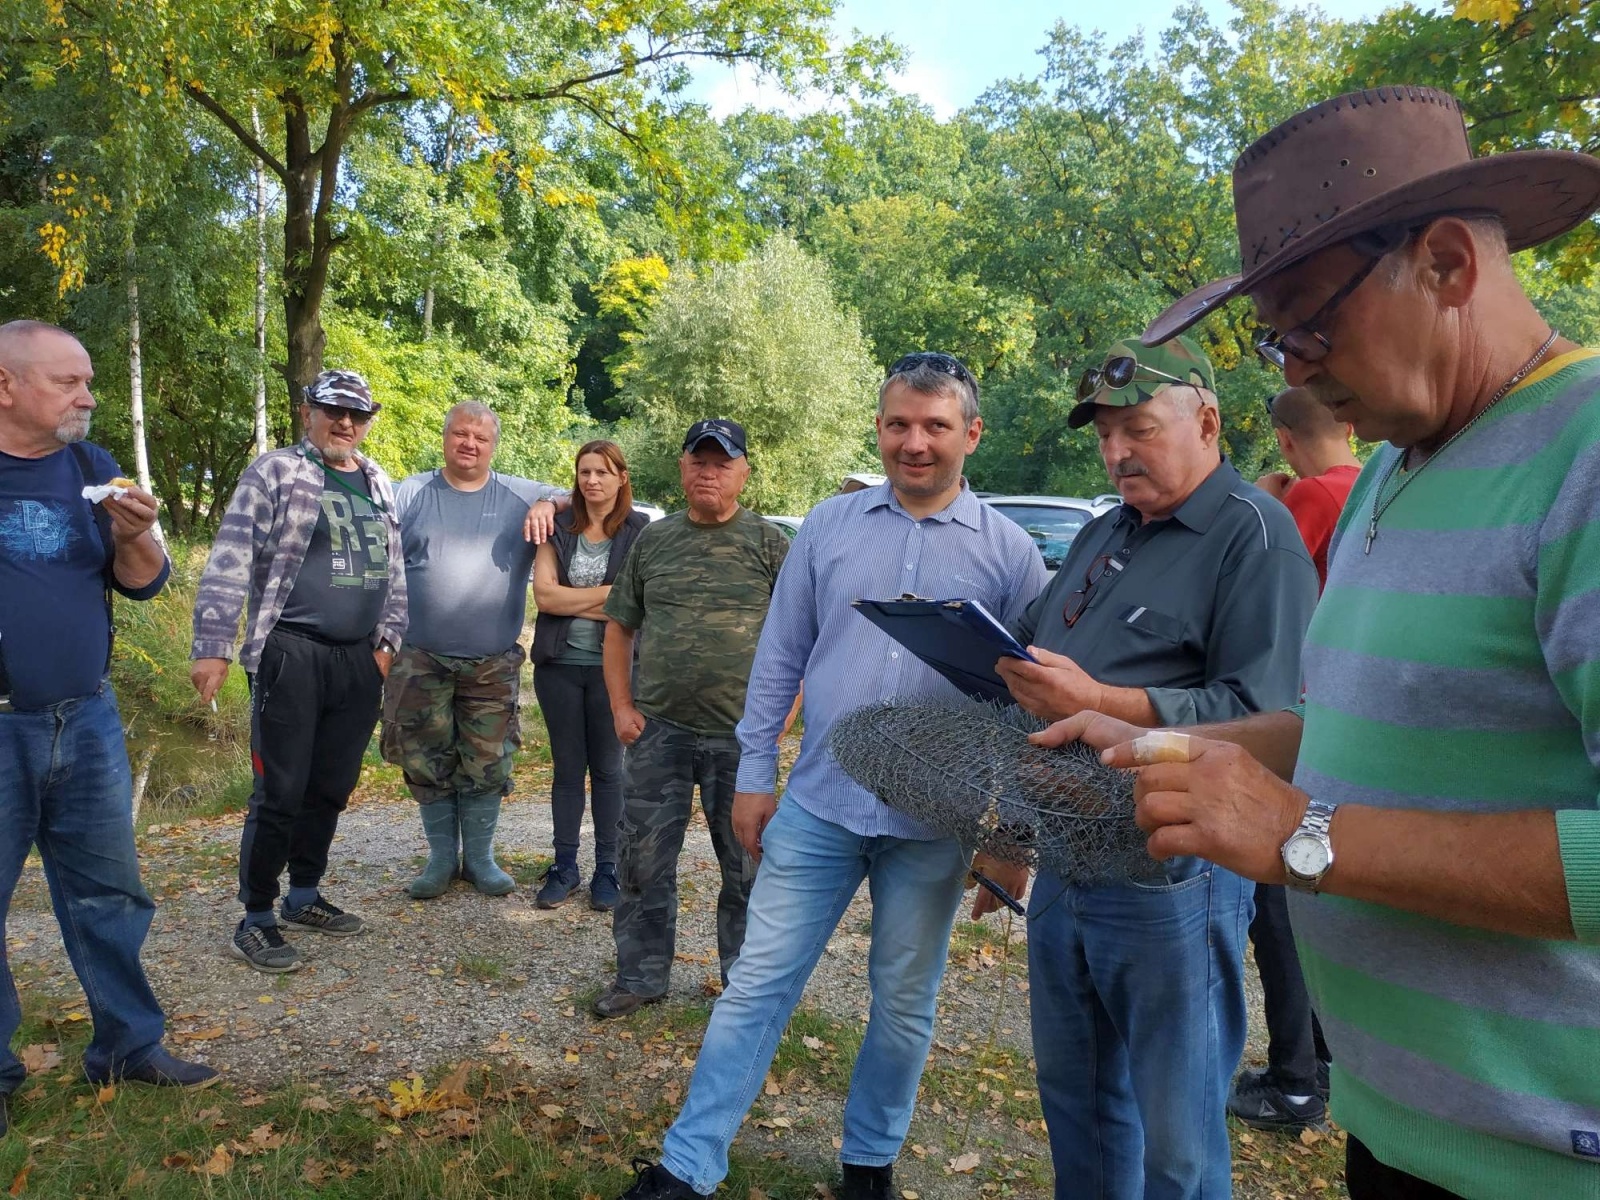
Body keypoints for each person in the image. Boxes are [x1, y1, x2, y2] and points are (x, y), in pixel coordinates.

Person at [1054, 85, 1600, 1200]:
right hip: (1400, 1134)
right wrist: (1148, 739)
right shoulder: (1392, 470)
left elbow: (1325, 818)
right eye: (1273, 338)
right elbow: (1357, 732)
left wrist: (1305, 839)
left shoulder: (1583, 455)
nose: (1291, 370)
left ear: (1446, 263)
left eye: (1308, 321)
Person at [615, 353, 1049, 1200]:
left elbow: (1032, 711)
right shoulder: (829, 526)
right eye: (898, 425)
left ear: (972, 433)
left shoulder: (1011, 556)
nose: (913, 443)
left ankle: (868, 1165)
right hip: (818, 806)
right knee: (757, 983)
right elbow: (779, 657)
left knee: (902, 1002)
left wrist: (1012, 836)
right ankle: (687, 1165)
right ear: (880, 427)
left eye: (933, 426)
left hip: (935, 819)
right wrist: (753, 772)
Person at [992, 335, 1318, 1200]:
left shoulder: (1256, 533)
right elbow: (1046, 661)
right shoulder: (1104, 529)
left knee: (1177, 1139)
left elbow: (1273, 718)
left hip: (1171, 870)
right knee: (1079, 1105)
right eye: (1104, 435)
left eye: (1137, 427)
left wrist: (1107, 700)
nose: (1116, 452)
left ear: (1207, 420)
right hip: (1066, 855)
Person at [0, 320, 218, 1134]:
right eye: (68, 382)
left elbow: (144, 583)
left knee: (110, 894)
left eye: (90, 380)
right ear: (6, 386)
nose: (88, 397)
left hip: (86, 718)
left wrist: (134, 537)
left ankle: (129, 1045)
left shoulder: (92, 469)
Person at [191, 369, 407, 974]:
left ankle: (304, 896)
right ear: (308, 410)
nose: (346, 424)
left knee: (331, 786)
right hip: (290, 652)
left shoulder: (378, 482)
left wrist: (388, 641)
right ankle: (255, 915)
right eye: (334, 410)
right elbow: (231, 556)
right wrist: (212, 642)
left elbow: (395, 570)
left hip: (357, 659)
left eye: (358, 415)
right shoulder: (276, 472)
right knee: (280, 789)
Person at [591, 419, 791, 1019]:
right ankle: (641, 976)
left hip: (742, 738)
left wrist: (783, 717)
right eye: (698, 461)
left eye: (722, 462)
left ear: (743, 472)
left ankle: (745, 985)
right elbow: (619, 629)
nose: (709, 471)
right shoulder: (654, 541)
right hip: (660, 733)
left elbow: (801, 636)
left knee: (747, 864)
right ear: (681, 469)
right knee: (643, 860)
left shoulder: (770, 542)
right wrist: (623, 709)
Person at [1227, 383, 1359, 1132]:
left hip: (1295, 724)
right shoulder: (1378, 484)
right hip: (1350, 725)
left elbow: (1241, 548)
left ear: (1282, 439)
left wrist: (1265, 492)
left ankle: (1294, 1082)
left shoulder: (1305, 498)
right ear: (1347, 421)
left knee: (1276, 903)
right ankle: (1323, 1053)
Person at [381, 401, 567, 900]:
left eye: (480, 438)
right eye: (460, 434)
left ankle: (481, 859)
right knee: (425, 758)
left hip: (491, 662)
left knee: (488, 761)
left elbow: (576, 495)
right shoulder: (411, 492)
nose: (469, 444)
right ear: (445, 438)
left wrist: (549, 503)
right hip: (419, 657)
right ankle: (442, 859)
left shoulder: (519, 492)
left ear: (493, 445)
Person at [529, 440, 649, 910]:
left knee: (608, 771)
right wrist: (608, 597)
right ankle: (564, 867)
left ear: (621, 477)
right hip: (558, 667)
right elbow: (544, 598)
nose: (592, 480)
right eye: (584, 472)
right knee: (565, 771)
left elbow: (639, 604)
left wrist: (575, 595)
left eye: (602, 471)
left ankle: (608, 869)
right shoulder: (556, 527)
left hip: (613, 671)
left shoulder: (640, 531)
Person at [1256, 385, 1361, 587]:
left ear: (1284, 439)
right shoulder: (1377, 482)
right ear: (1349, 429)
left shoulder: (1314, 493)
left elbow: (1265, 580)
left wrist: (1264, 506)